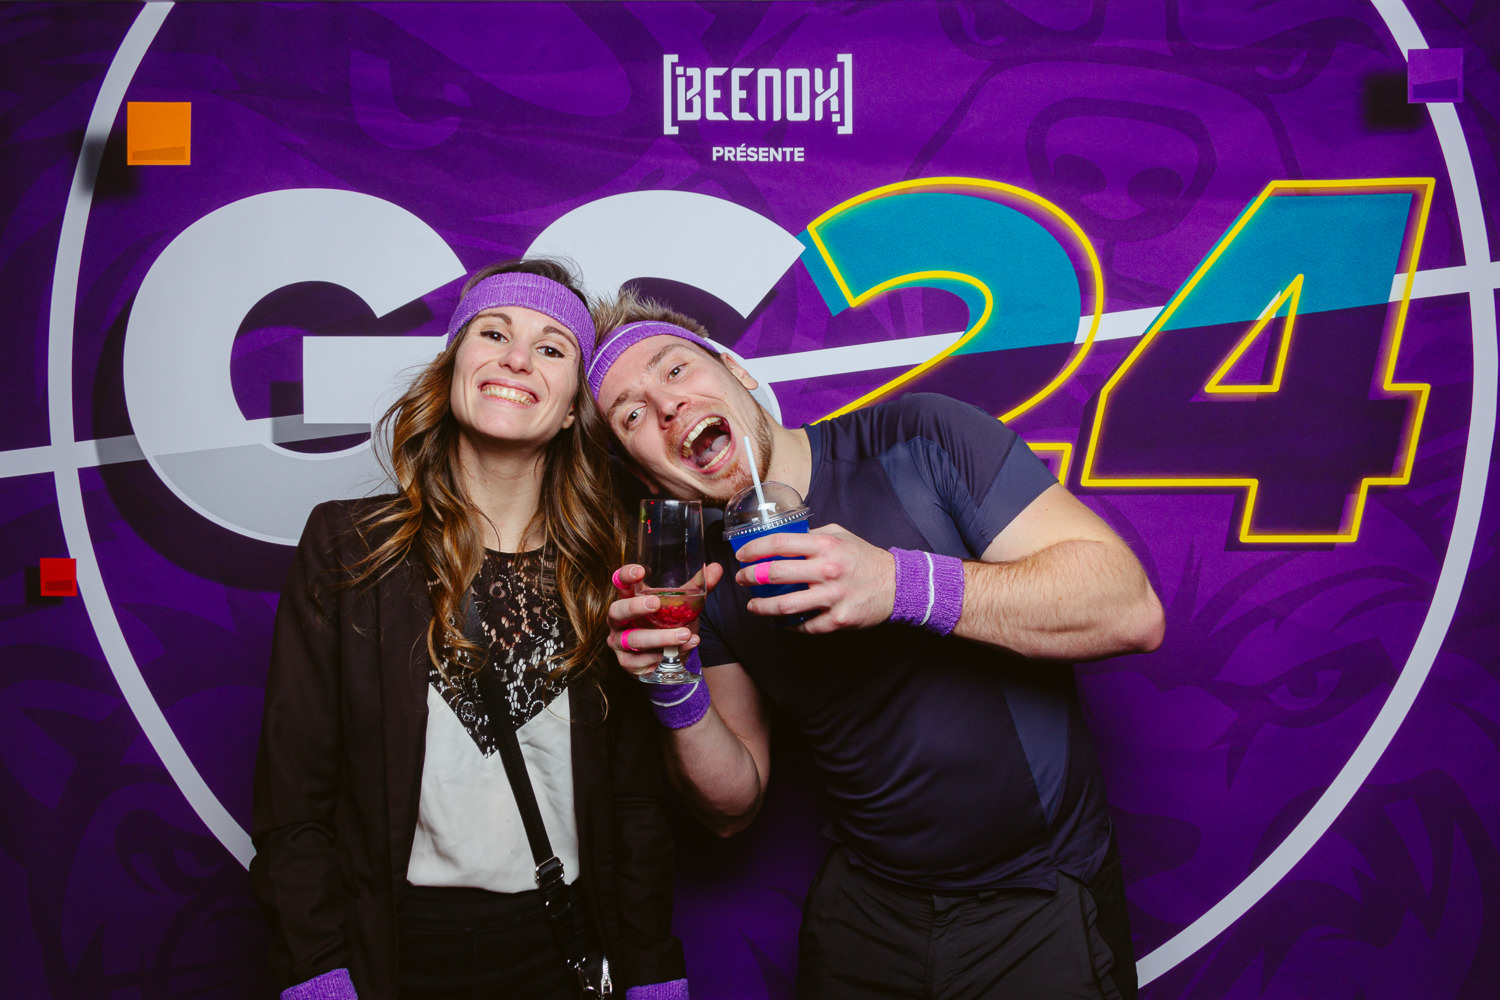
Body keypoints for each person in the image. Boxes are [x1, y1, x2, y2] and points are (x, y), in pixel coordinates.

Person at [587, 293, 1165, 1000]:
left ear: (737, 372)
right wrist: (672, 679)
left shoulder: (918, 438)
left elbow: (1128, 608)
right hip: (866, 913)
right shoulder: (702, 578)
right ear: (645, 475)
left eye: (675, 370)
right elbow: (731, 808)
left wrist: (898, 584)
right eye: (632, 416)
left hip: (1035, 899)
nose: (666, 406)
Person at [250, 261, 688, 999]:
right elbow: (293, 806)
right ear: (453, 366)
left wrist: (651, 978)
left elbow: (636, 808)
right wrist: (318, 975)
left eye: (551, 347)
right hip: (397, 954)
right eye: (493, 333)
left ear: (572, 409)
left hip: (565, 952)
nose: (517, 358)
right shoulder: (349, 547)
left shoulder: (612, 569)